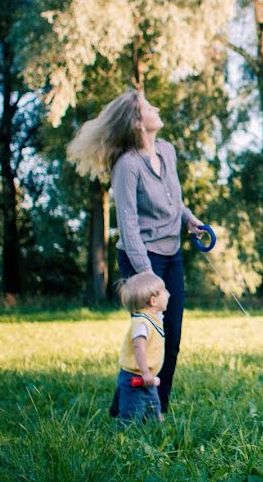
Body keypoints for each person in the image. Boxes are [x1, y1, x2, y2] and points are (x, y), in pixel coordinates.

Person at [67, 90, 204, 415]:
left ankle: (158, 408)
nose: (156, 108)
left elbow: (174, 199)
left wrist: (189, 220)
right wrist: (149, 278)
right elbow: (128, 226)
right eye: (148, 107)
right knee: (146, 336)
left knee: (171, 336)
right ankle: (126, 409)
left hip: (171, 254)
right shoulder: (127, 166)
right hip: (141, 257)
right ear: (138, 122)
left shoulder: (167, 151)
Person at [113, 272, 170, 423]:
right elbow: (140, 348)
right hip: (135, 378)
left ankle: (155, 429)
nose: (168, 293)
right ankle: (124, 438)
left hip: (147, 377)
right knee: (131, 415)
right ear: (153, 301)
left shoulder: (152, 318)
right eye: (164, 291)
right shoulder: (142, 323)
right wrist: (145, 372)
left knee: (153, 412)